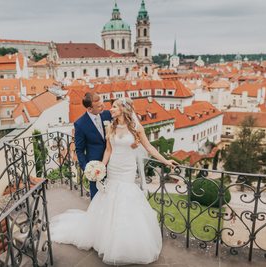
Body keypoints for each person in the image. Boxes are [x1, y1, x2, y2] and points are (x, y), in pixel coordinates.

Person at [51, 97, 178, 265]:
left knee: (126, 199)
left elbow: (149, 147)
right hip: (113, 168)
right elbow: (109, 150)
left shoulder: (136, 128)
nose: (111, 109)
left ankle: (128, 240)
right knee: (111, 199)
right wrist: (101, 167)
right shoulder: (111, 126)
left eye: (115, 107)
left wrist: (166, 161)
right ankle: (107, 238)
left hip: (127, 169)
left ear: (124, 110)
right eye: (112, 107)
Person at [74, 92, 112, 199]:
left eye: (102, 103)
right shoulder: (80, 124)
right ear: (90, 109)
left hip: (113, 163)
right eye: (99, 106)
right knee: (97, 199)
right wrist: (88, 169)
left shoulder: (107, 114)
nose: (103, 107)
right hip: (96, 168)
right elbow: (79, 150)